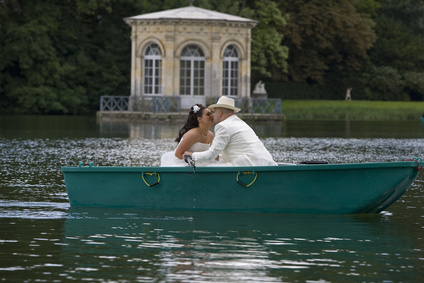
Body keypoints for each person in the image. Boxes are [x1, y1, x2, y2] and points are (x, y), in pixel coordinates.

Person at [184, 96, 278, 166]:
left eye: (214, 112)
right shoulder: (240, 122)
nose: (213, 115)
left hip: (253, 168)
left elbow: (211, 155)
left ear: (220, 113)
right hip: (267, 163)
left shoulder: (223, 126)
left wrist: (192, 155)